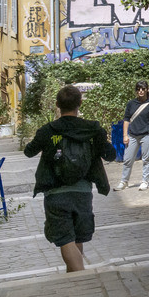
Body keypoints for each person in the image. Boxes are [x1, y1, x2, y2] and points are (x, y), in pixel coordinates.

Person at [24, 85, 114, 273]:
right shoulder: (92, 129)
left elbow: (28, 152)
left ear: (57, 105)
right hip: (83, 192)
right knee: (76, 238)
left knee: (65, 239)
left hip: (56, 193)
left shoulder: (48, 130)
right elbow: (110, 155)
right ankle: (75, 279)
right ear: (80, 103)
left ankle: (81, 280)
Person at [118, 80, 149, 191]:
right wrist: (125, 135)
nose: (140, 91)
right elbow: (126, 119)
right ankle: (124, 181)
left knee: (147, 159)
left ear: (147, 90)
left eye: (143, 89)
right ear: (136, 91)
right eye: (138, 89)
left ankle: (145, 182)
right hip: (132, 135)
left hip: (147, 135)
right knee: (127, 159)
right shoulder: (131, 104)